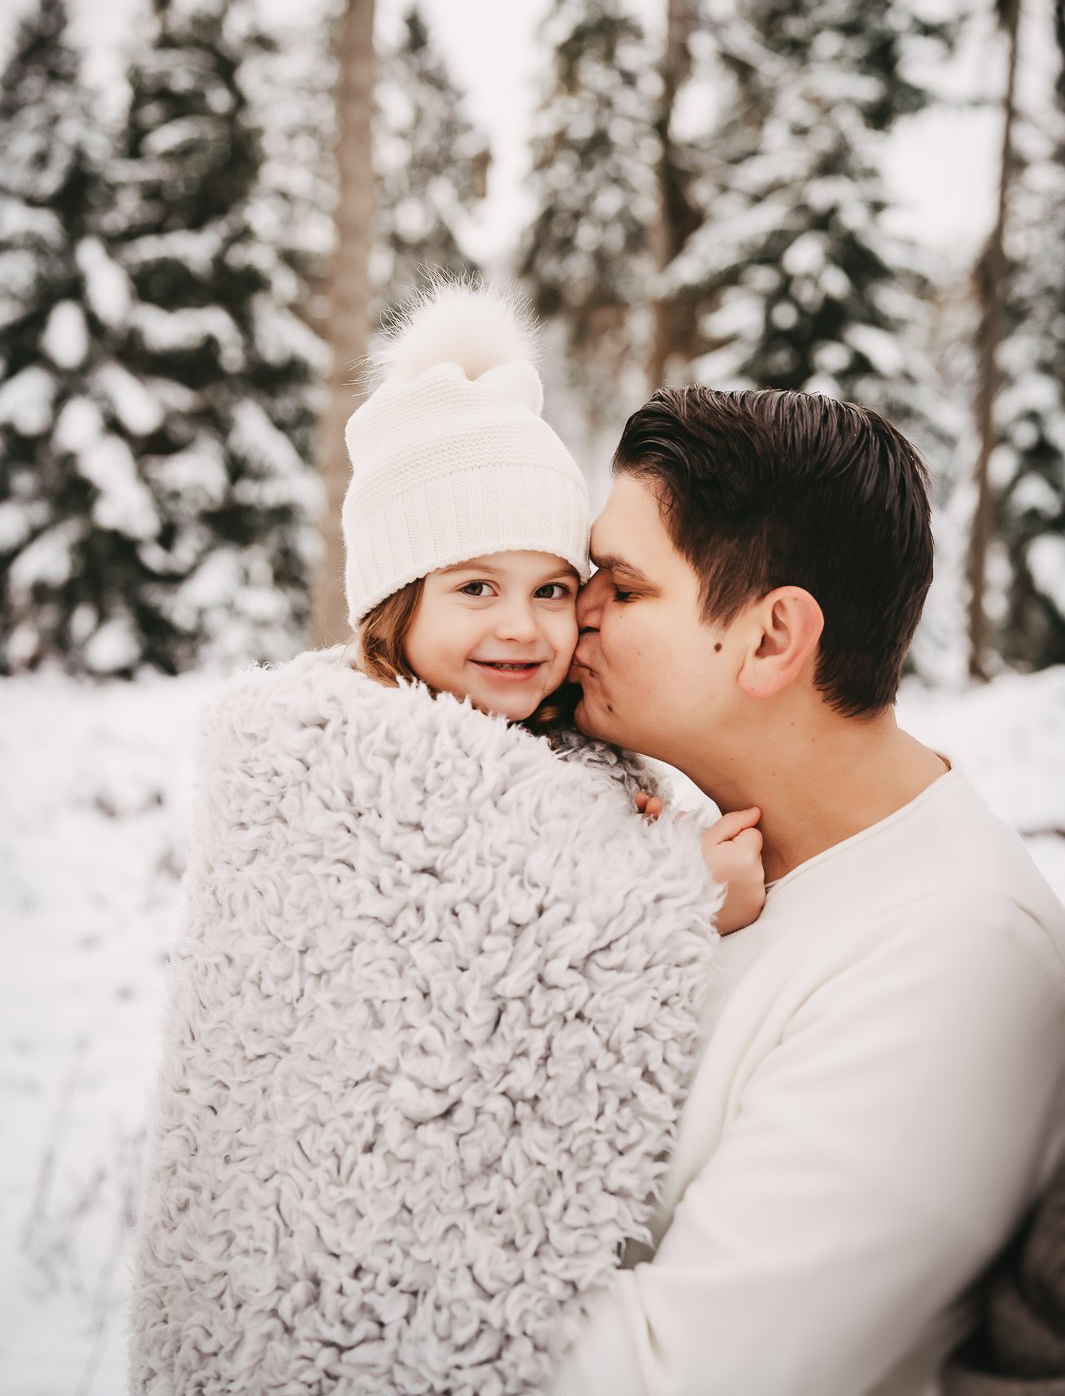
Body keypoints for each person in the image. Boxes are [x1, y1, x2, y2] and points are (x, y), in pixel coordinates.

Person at [127, 281, 763, 1396]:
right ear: (396, 606)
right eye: (476, 587)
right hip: (314, 1297)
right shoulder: (332, 762)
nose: (523, 627)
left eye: (553, 588)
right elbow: (460, 1011)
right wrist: (673, 900)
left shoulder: (584, 770)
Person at [546, 386, 1065, 1396]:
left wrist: (358, 1249)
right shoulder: (690, 854)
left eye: (622, 583)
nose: (575, 611)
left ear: (773, 637)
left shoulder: (957, 959)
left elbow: (674, 1377)